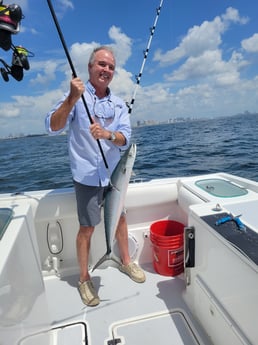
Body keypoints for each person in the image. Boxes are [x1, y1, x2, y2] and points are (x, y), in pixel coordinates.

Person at [45, 46, 145, 307]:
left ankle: (125, 262)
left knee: (120, 219)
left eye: (111, 67)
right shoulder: (76, 96)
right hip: (87, 178)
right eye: (101, 64)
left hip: (113, 177)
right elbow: (53, 127)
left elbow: (126, 139)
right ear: (90, 67)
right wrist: (71, 98)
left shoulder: (119, 104)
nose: (106, 70)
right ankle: (84, 278)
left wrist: (107, 134)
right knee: (87, 228)